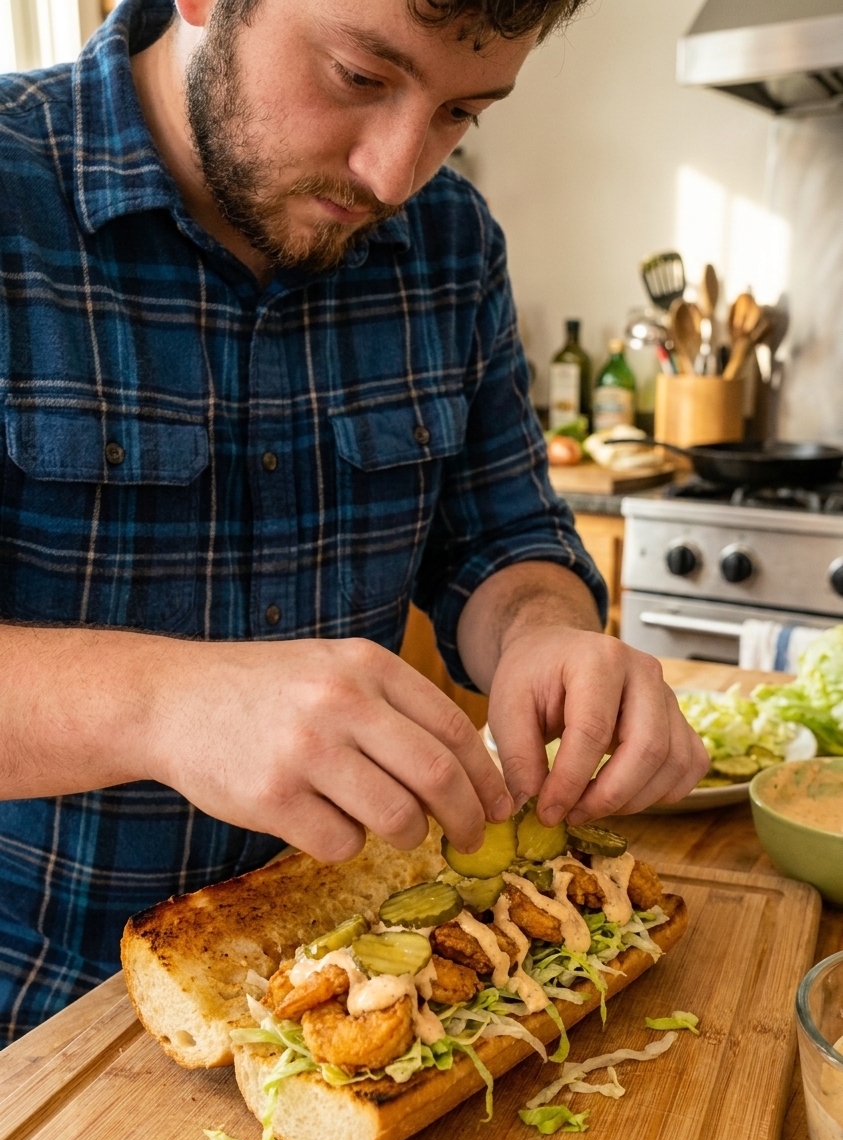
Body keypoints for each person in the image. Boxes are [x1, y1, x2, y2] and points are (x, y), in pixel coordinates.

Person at [0, 0, 708, 1044]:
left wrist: (544, 634)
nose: (393, 175)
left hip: (368, 986)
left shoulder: (453, 244)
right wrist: (166, 705)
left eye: (461, 112)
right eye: (359, 77)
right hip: (38, 1022)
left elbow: (505, 539)